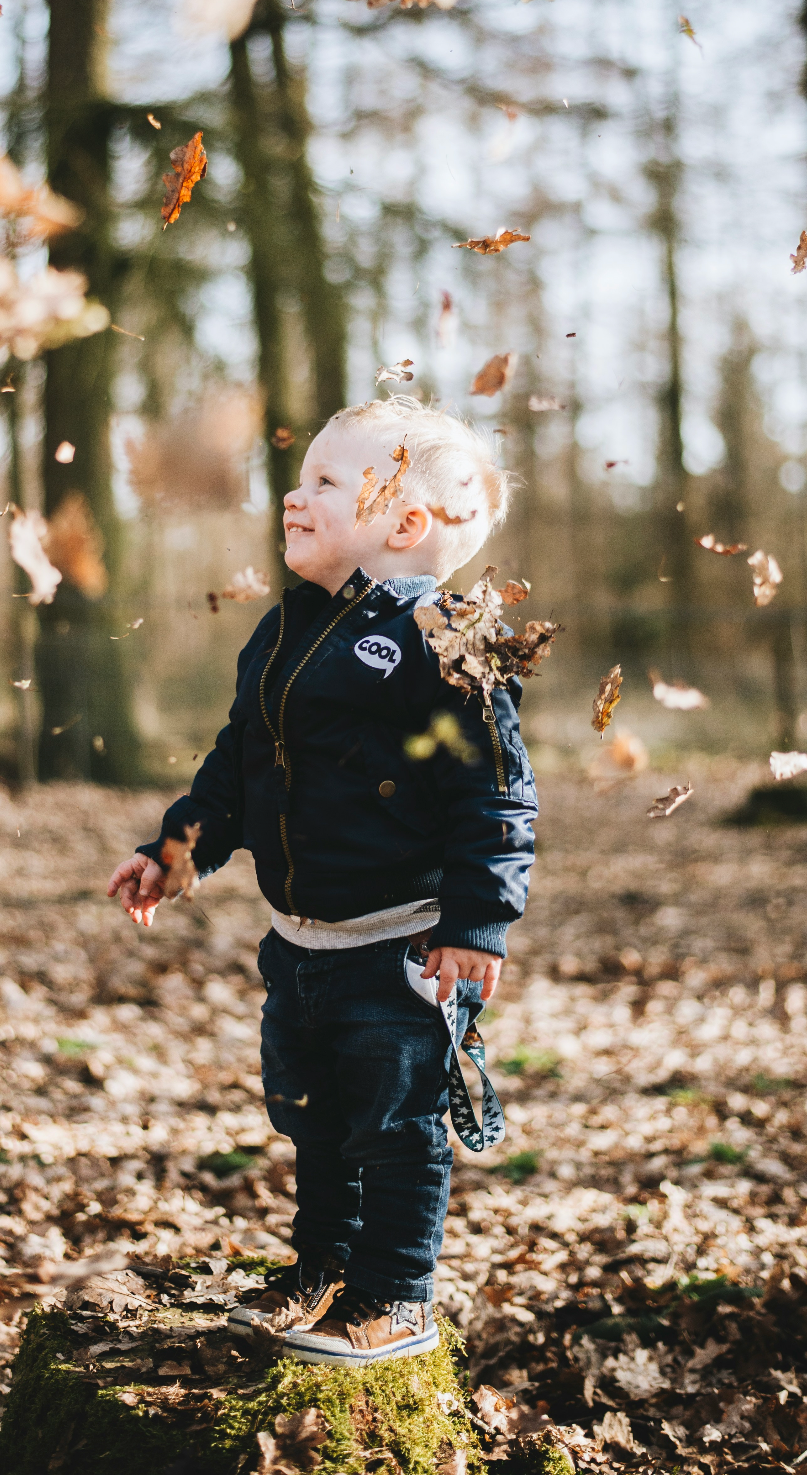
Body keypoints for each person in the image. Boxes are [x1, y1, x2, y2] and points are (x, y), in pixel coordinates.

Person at [107, 395, 538, 1365]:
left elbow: (497, 796)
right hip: (299, 946)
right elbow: (239, 762)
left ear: (403, 523)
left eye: (327, 483)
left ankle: (396, 1295)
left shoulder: (445, 638)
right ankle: (324, 1269)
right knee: (314, 1118)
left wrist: (476, 925)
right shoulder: (285, 630)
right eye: (300, 480)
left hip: (400, 947)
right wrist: (179, 847)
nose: (295, 499)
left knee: (392, 1124)